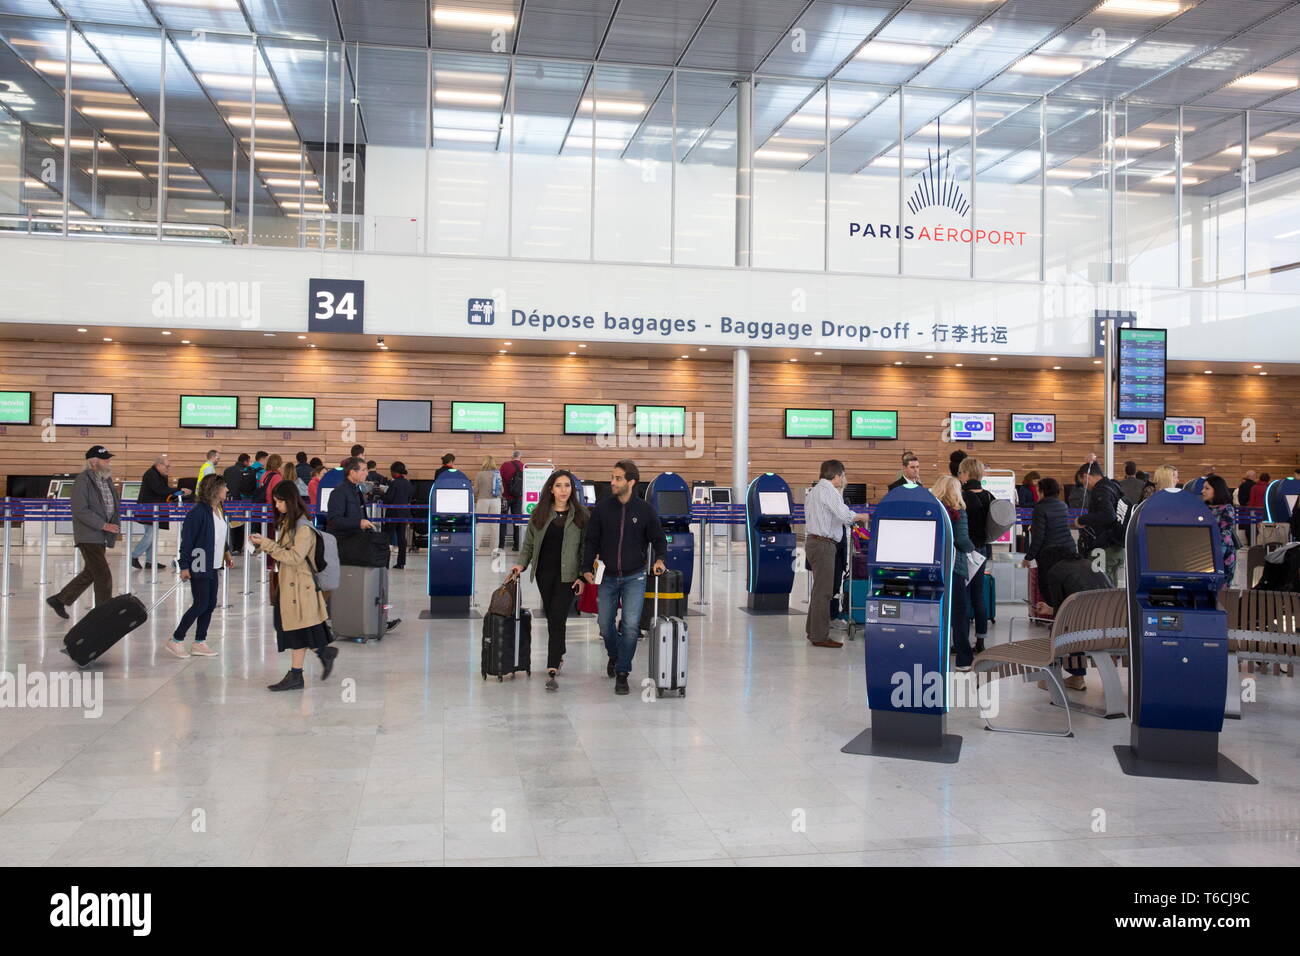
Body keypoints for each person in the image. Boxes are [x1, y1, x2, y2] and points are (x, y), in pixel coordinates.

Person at [581, 460, 667, 696]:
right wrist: (586, 567)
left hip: (635, 577)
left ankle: (622, 673)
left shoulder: (645, 510)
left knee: (630, 627)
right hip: (607, 576)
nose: (612, 482)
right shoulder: (602, 508)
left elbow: (658, 539)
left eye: (617, 478)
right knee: (604, 626)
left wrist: (660, 559)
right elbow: (592, 541)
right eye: (612, 477)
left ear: (631, 482)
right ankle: (615, 654)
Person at [250, 482, 338, 691]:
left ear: (290, 501)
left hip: (299, 587)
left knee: (295, 629)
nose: (277, 505)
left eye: (280, 501)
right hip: (291, 586)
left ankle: (298, 673)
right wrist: (264, 543)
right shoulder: (290, 523)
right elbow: (285, 550)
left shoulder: (302, 527)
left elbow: (295, 556)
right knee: (296, 628)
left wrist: (267, 544)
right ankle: (319, 655)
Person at [510, 470, 589, 691]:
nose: (564, 490)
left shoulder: (581, 515)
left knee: (558, 615)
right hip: (545, 573)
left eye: (567, 485)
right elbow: (528, 545)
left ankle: (552, 664)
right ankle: (559, 653)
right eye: (559, 486)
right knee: (553, 618)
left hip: (569, 575)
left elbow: (585, 549)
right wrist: (521, 564)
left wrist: (582, 576)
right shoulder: (540, 513)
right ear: (551, 489)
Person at [46, 446, 120, 620]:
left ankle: (60, 599)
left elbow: (112, 505)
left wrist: (112, 526)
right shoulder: (82, 480)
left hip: (100, 535)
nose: (109, 461)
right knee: (102, 574)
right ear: (93, 462)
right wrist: (103, 525)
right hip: (89, 534)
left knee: (91, 572)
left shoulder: (106, 480)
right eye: (105, 459)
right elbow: (80, 510)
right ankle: (103, 613)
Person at [165, 474, 233, 659]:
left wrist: (226, 553)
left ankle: (199, 642)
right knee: (201, 603)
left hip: (214, 564)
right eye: (224, 487)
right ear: (215, 489)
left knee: (210, 604)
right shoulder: (197, 512)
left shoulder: (219, 508)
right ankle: (176, 639)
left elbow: (219, 535)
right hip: (200, 563)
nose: (227, 490)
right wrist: (184, 566)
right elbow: (187, 541)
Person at [804, 460, 870, 648]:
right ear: (837, 476)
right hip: (823, 544)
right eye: (843, 475)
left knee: (819, 591)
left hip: (816, 542)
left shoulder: (816, 490)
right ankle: (820, 636)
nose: (844, 479)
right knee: (824, 592)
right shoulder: (829, 491)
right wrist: (862, 516)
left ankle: (813, 630)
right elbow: (844, 515)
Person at [1031, 554, 1113, 690]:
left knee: (1063, 627)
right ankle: (1076, 677)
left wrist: (1052, 610)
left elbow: (1062, 610)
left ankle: (1051, 677)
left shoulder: (1055, 571)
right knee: (1074, 624)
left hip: (1085, 629)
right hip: (1111, 629)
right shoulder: (1091, 564)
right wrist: (1051, 609)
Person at [932, 476, 977, 670]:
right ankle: (964, 659)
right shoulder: (958, 512)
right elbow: (961, 541)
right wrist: (974, 549)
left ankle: (935, 655)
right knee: (959, 613)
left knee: (936, 612)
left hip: (933, 567)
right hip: (954, 567)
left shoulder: (932, 510)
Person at [958, 458, 994, 655]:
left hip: (965, 550)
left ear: (966, 474)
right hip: (982, 550)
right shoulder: (989, 496)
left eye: (961, 473)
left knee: (962, 597)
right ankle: (981, 640)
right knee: (978, 596)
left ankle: (962, 641)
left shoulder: (962, 497)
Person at [1022, 476, 1076, 586]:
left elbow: (1039, 537)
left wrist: (1029, 557)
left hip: (1050, 555)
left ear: (1042, 492)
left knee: (1048, 587)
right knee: (1065, 585)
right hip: (1068, 550)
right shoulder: (1063, 505)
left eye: (1038, 491)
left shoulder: (1040, 508)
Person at [1077, 461, 1125, 581]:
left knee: (1099, 584)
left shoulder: (1100, 490)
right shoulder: (1113, 486)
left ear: (1086, 476)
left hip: (1104, 547)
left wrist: (1082, 520)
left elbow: (1108, 515)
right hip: (1117, 545)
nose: (1085, 486)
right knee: (1111, 588)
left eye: (1083, 482)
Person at [132, 454, 180, 570]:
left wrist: (174, 496)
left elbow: (164, 491)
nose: (168, 469)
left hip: (155, 510)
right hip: (148, 510)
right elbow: (160, 490)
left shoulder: (160, 475)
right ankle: (133, 556)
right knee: (150, 535)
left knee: (152, 535)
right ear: (158, 465)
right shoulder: (151, 474)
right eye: (166, 466)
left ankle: (150, 561)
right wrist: (177, 490)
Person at [326, 456, 377, 534]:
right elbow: (334, 520)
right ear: (352, 472)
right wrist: (358, 523)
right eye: (363, 470)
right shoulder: (339, 492)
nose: (367, 473)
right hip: (345, 539)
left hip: (358, 536)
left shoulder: (357, 490)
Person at [1202, 475, 1239, 581]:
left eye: (1207, 488)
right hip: (1204, 554)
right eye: (1203, 488)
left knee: (1221, 591)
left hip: (1221, 555)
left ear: (1217, 490)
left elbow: (1225, 535)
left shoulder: (1227, 509)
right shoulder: (1203, 507)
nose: (1203, 491)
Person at [383, 461, 413, 570]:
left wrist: (382, 494)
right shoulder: (408, 483)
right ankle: (401, 563)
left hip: (393, 513)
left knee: (388, 538)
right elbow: (409, 498)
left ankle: (385, 563)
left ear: (395, 472)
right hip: (404, 513)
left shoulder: (394, 483)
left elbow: (389, 498)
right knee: (401, 538)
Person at [222, 452, 254, 552]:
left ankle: (229, 546)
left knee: (229, 524)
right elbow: (246, 488)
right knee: (240, 525)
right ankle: (238, 547)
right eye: (249, 461)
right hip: (239, 501)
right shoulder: (246, 471)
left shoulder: (228, 470)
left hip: (227, 500)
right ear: (246, 461)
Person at [474, 455, 501, 552]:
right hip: (496, 501)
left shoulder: (480, 474)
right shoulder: (497, 474)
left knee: (480, 524)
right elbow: (501, 490)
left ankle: (476, 546)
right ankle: (494, 547)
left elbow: (475, 490)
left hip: (482, 500)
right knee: (495, 525)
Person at [499, 450, 525, 551]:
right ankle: (516, 545)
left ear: (511, 457)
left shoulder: (505, 465)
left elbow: (499, 479)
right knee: (517, 522)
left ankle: (501, 545)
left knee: (502, 520)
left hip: (505, 497)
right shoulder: (524, 466)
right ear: (520, 457)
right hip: (518, 498)